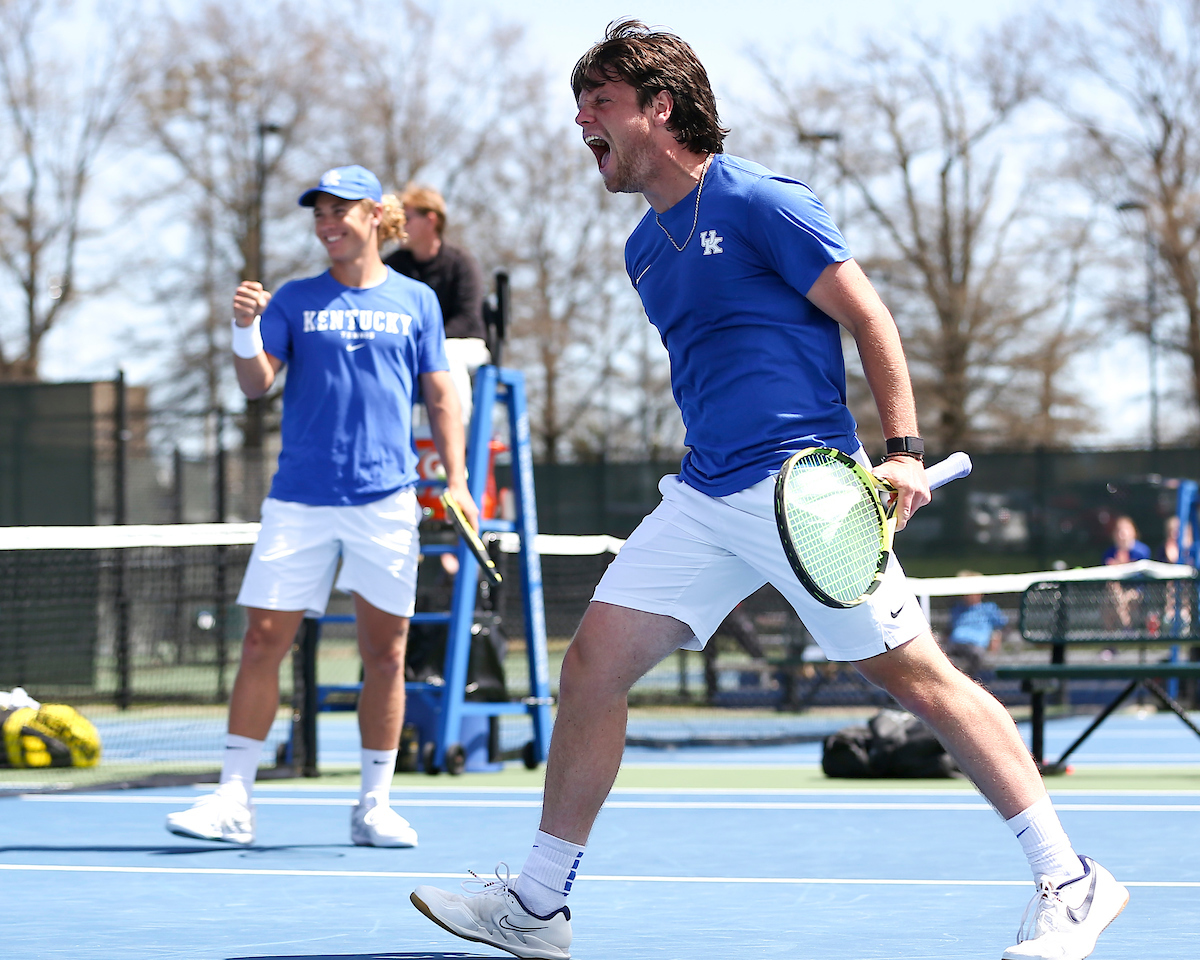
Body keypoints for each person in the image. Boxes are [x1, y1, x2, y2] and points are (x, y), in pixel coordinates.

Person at [408, 21, 1128, 960]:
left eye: (600, 103)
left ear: (659, 108)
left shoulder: (761, 203)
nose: (581, 121)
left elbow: (868, 315)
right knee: (590, 670)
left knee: (918, 679)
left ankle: (1072, 881)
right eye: (579, 104)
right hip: (704, 497)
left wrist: (902, 450)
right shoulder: (644, 251)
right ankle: (539, 905)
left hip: (806, 494)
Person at [165, 164, 476, 849]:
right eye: (318, 212)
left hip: (386, 501)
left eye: (338, 210)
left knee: (386, 655)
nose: (326, 222)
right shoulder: (293, 300)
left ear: (373, 215)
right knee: (260, 641)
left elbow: (442, 395)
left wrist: (456, 480)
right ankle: (233, 801)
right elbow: (255, 385)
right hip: (299, 501)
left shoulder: (417, 302)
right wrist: (245, 329)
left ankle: (373, 805)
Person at [384, 184, 490, 425]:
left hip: (463, 345)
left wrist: (427, 342)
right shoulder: (392, 266)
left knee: (445, 355)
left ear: (430, 220)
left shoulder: (461, 262)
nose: (400, 226)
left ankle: (456, 447)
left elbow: (468, 319)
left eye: (407, 218)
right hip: (410, 346)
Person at [944, 570, 1008, 676]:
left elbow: (1004, 627)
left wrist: (997, 636)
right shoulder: (957, 608)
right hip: (955, 644)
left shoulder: (989, 608)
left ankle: (969, 682)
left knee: (976, 655)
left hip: (975, 646)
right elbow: (949, 629)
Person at [1102, 515, 1151, 631]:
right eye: (1119, 531)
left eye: (1125, 530)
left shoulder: (1142, 551)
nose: (1122, 534)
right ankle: (1119, 635)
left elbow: (1140, 575)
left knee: (1119, 599)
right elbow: (1108, 574)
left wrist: (1122, 565)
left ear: (1133, 532)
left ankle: (1126, 628)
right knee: (1110, 598)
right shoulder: (1109, 552)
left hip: (1137, 592)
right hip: (1115, 593)